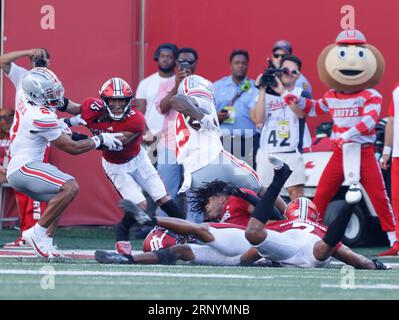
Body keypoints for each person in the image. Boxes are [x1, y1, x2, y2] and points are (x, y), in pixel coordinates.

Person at [95, 157, 389, 270]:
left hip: (259, 245)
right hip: (280, 249)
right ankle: (128, 257)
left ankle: (151, 221)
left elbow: (266, 220)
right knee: (186, 248)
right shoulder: (301, 224)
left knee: (214, 234)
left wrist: (251, 192)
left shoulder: (287, 220)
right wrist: (374, 266)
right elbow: (349, 255)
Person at [283, 30, 397, 254]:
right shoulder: (332, 95)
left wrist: (347, 134)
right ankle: (309, 234)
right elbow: (314, 108)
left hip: (363, 151)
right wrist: (295, 100)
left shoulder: (371, 94)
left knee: (379, 197)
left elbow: (369, 121)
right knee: (322, 193)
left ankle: (395, 240)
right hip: (339, 153)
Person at [7, 67, 123, 258]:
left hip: (25, 164)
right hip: (23, 168)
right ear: (38, 95)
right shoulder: (40, 115)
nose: (57, 95)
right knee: (69, 187)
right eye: (50, 93)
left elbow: (69, 108)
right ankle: (35, 234)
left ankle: (45, 241)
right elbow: (71, 148)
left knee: (61, 196)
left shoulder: (27, 94)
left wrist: (97, 109)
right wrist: (100, 140)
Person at [79, 77, 185, 255]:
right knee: (140, 206)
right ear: (104, 101)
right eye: (113, 100)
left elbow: (117, 143)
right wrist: (64, 122)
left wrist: (84, 140)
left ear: (129, 102)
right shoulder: (92, 109)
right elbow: (71, 107)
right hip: (115, 166)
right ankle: (122, 230)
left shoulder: (136, 119)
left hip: (138, 159)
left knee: (163, 198)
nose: (117, 105)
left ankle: (188, 233)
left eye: (122, 100)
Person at [170, 74, 287, 222]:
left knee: (204, 215)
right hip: (214, 161)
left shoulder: (178, 118)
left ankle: (203, 238)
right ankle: (289, 215)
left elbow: (180, 102)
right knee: (258, 187)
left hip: (193, 176)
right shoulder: (198, 96)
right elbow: (178, 100)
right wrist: (203, 119)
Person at [0, 48, 53, 247]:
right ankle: (25, 235)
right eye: (35, 58)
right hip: (18, 139)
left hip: (37, 139)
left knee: (36, 187)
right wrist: (28, 52)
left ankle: (37, 235)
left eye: (42, 57)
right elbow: (2, 61)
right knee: (20, 186)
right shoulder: (23, 75)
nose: (39, 60)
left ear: (50, 61)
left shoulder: (52, 81)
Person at [251, 55, 309, 199]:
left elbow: (301, 113)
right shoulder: (266, 95)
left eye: (293, 72)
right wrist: (262, 89)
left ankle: (299, 221)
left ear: (299, 75)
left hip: (291, 151)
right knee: (266, 197)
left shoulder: (301, 93)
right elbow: (258, 119)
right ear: (279, 71)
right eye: (285, 70)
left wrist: (283, 92)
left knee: (297, 194)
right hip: (267, 152)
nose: (289, 74)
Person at [154, 47, 199, 215]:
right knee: (165, 192)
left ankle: (196, 234)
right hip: (170, 145)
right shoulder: (166, 83)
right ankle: (164, 231)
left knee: (195, 192)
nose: (185, 65)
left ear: (196, 64)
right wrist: (176, 86)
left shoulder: (203, 84)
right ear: (176, 63)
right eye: (181, 62)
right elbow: (162, 108)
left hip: (195, 144)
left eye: (189, 62)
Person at [213, 49, 260, 168]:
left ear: (247, 65)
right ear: (230, 65)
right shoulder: (217, 86)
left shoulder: (256, 87)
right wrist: (216, 116)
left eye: (243, 63)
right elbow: (207, 112)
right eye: (237, 63)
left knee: (246, 179)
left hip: (249, 140)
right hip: (225, 140)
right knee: (225, 179)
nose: (240, 66)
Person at [135, 43, 178, 156]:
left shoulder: (180, 82)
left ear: (175, 60)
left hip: (173, 138)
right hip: (150, 136)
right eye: (162, 56)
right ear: (157, 58)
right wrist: (147, 135)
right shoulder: (146, 83)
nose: (165, 60)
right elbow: (138, 113)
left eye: (169, 57)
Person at [379, 83, 399, 255]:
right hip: (397, 154)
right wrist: (386, 152)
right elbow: (391, 121)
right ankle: (398, 243)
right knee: (397, 198)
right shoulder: (396, 89)